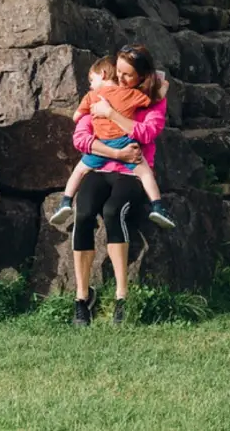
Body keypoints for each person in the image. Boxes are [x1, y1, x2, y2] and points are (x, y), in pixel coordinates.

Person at [67, 44, 169, 326]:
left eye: (127, 75)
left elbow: (148, 132)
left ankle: (121, 296)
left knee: (114, 211)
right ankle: (81, 297)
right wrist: (114, 152)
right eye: (118, 73)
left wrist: (112, 115)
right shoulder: (102, 94)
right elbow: (81, 137)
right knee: (84, 213)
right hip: (100, 166)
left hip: (131, 172)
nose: (120, 80)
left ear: (141, 76)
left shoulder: (151, 99)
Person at [49, 56, 175, 230]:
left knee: (78, 172)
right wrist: (163, 88)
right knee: (145, 173)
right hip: (125, 142)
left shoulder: (92, 96)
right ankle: (158, 207)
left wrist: (91, 114)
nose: (91, 85)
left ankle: (65, 202)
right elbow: (152, 100)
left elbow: (76, 117)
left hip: (100, 146)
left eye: (92, 80)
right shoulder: (129, 94)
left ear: (103, 74)